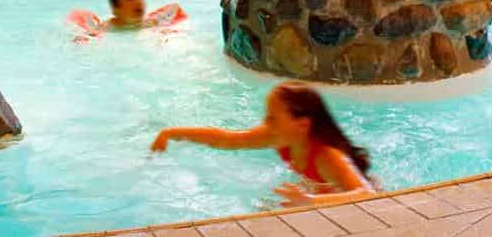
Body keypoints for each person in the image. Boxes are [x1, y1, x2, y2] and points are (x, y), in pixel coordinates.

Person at [151, 83, 375, 207]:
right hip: (320, 189)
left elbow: (367, 195)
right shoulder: (281, 137)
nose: (266, 123)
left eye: (273, 118)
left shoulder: (327, 156)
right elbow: (226, 139)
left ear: (302, 125)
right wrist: (171, 133)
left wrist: (311, 201)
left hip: (352, 204)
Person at [70, 0, 186, 36]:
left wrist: (165, 31)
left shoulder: (149, 23)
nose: (138, 2)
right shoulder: (106, 28)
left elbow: (175, 8)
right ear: (116, 9)